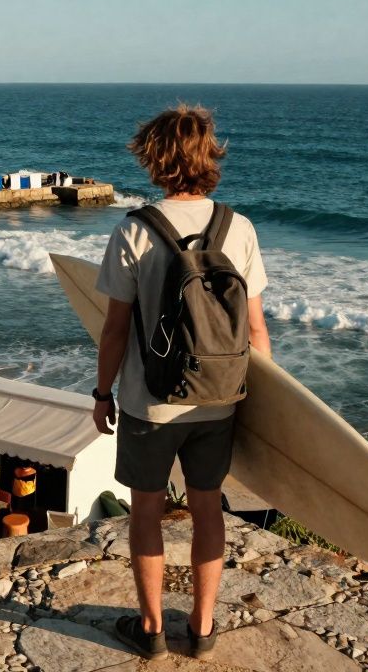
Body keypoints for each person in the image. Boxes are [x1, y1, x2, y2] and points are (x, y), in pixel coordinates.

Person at [94, 104, 270, 660]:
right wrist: (261, 407)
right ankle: (202, 627)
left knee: (145, 512)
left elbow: (115, 330)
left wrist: (103, 395)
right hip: (219, 403)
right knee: (207, 509)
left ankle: (150, 631)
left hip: (151, 407)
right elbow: (257, 330)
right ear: (210, 154)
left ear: (154, 158)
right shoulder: (237, 227)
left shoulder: (135, 231)